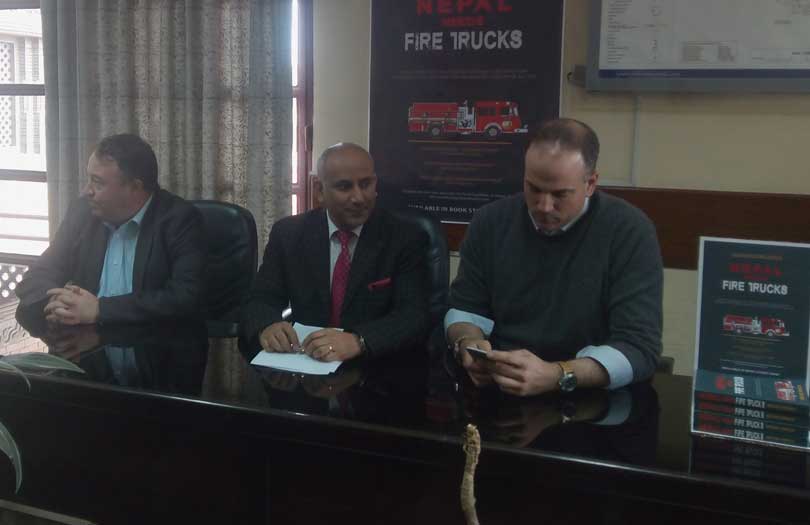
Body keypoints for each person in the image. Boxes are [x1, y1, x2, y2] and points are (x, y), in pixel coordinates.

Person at [445, 118, 663, 396]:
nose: (544, 206)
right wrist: (467, 343)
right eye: (534, 189)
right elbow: (465, 309)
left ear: (591, 183)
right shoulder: (490, 221)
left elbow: (639, 347)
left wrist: (558, 374)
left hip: (589, 398)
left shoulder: (629, 231)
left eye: (560, 194)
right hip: (501, 384)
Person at [240, 142, 430, 362]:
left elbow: (414, 315)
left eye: (365, 184)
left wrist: (359, 340)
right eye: (344, 187)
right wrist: (267, 326)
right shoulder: (289, 234)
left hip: (377, 367)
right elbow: (261, 298)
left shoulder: (405, 237)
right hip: (307, 363)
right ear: (319, 190)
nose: (359, 198)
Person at [15, 133, 206, 328]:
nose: (87, 191)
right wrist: (58, 303)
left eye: (97, 183)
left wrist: (101, 309)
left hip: (155, 341)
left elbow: (186, 297)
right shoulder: (83, 212)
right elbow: (37, 276)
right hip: (88, 339)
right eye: (89, 179)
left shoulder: (179, 220)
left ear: (134, 187)